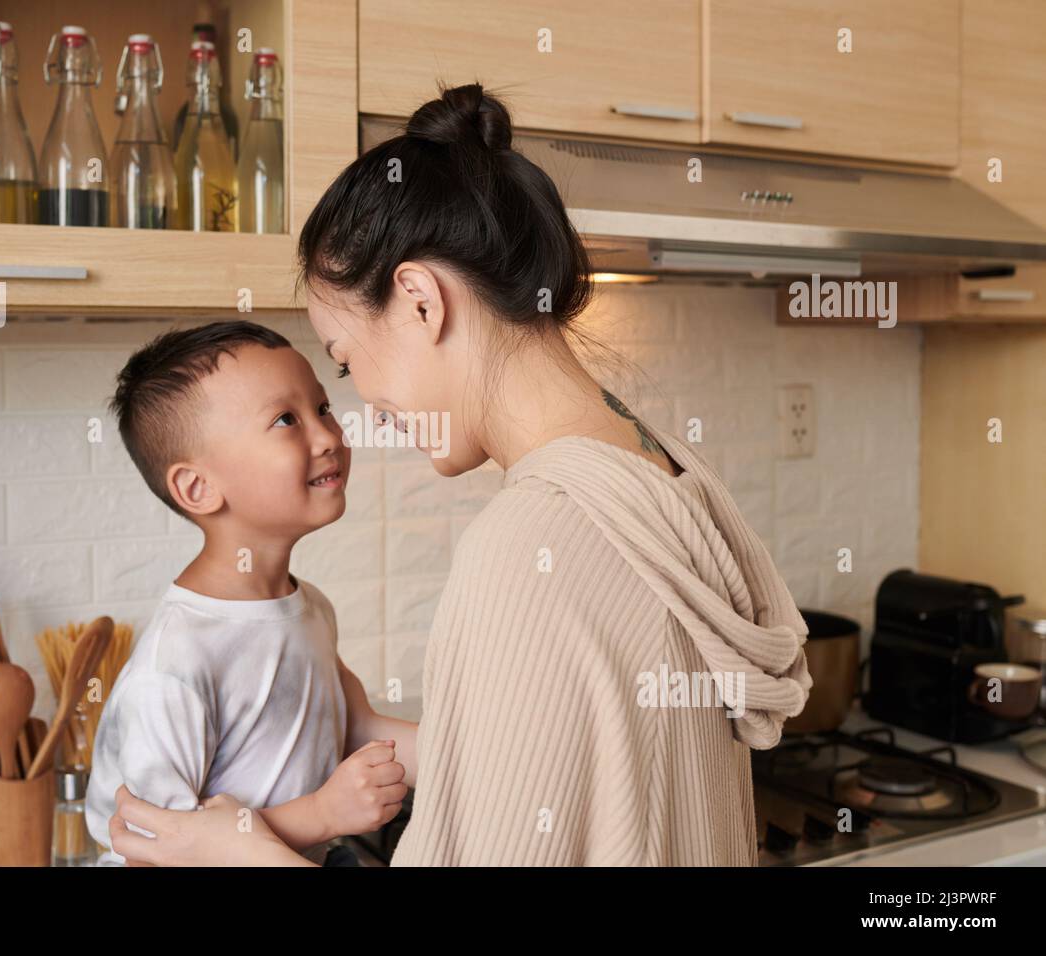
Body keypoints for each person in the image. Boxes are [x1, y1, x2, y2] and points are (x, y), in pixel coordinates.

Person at [108, 84, 812, 866]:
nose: (362, 403)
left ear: (418, 301)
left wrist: (234, 852)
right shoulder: (663, 469)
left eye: (344, 365)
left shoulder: (524, 547)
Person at [84, 321, 411, 864]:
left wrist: (491, 750)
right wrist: (324, 814)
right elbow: (157, 848)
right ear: (198, 488)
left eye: (322, 407)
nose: (329, 436)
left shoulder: (308, 607)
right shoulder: (176, 664)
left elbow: (356, 725)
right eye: (286, 420)